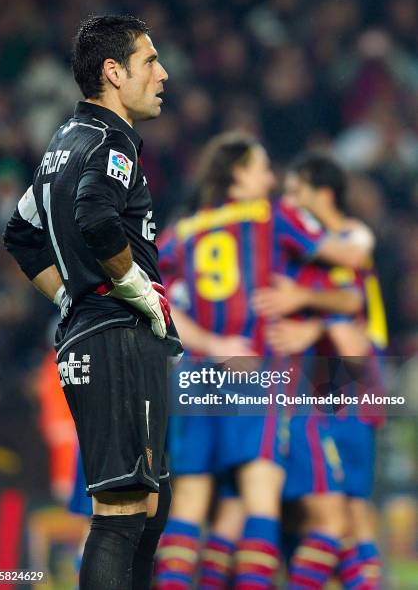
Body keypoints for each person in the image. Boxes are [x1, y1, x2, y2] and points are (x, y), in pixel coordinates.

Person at [3, 15, 182, 590]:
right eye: (150, 61)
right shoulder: (109, 141)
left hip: (100, 333)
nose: (163, 74)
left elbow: (22, 234)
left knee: (150, 505)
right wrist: (137, 295)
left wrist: (69, 298)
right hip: (118, 338)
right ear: (113, 71)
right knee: (123, 513)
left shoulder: (64, 144)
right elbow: (97, 217)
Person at [155, 131, 373, 589]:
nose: (272, 179)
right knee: (261, 500)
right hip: (256, 373)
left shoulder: (184, 231)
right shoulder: (273, 218)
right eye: (262, 168)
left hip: (195, 376)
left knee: (195, 503)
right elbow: (352, 255)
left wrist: (210, 345)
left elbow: (155, 298)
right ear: (238, 174)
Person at [256, 153, 385, 588]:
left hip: (348, 392)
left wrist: (310, 319)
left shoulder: (346, 240)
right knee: (315, 518)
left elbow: (353, 321)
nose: (288, 202)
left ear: (321, 193)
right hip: (311, 393)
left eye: (296, 192)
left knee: (348, 515)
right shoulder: (301, 248)